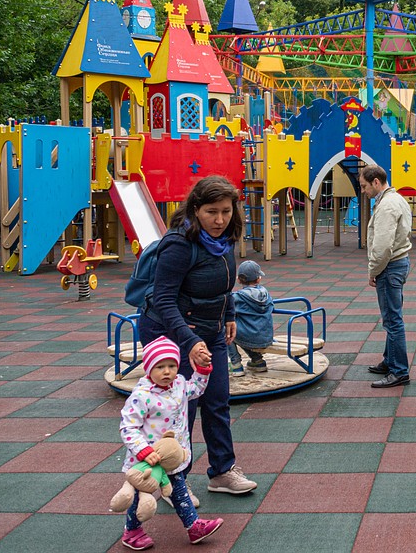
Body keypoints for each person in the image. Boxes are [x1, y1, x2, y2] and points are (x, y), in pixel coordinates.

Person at [138, 175, 258, 498]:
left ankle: (221, 471)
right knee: (180, 408)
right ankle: (173, 481)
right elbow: (163, 299)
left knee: (217, 400)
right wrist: (188, 343)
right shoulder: (179, 244)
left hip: (210, 330)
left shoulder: (226, 237)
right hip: (172, 332)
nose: (219, 220)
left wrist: (229, 314)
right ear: (195, 209)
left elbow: (224, 282)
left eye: (225, 211)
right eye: (211, 212)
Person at [118, 337, 223, 550]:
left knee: (179, 491)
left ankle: (194, 526)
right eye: (160, 367)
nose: (167, 371)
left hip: (171, 455)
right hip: (147, 459)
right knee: (141, 495)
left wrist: (203, 370)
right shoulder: (142, 396)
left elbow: (196, 390)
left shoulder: (180, 385)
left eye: (172, 366)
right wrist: (143, 450)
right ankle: (132, 531)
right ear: (148, 369)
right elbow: (128, 427)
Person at [359, 165, 412, 388]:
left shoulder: (386, 206)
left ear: (376, 182)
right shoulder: (396, 199)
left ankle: (399, 371)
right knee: (392, 316)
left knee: (392, 320)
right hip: (398, 263)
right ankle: (390, 360)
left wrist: (373, 270)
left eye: (364, 186)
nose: (363, 191)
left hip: (390, 266)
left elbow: (382, 245)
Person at [231, 260, 274, 373]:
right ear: (259, 278)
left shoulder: (237, 297)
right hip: (266, 336)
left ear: (239, 279)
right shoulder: (266, 293)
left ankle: (236, 364)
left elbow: (227, 309)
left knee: (227, 330)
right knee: (246, 330)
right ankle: (257, 360)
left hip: (250, 336)